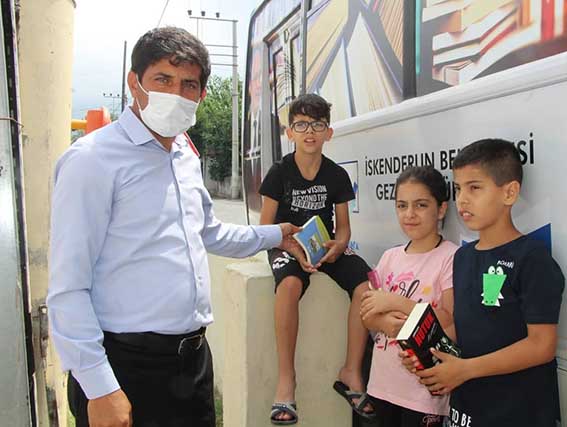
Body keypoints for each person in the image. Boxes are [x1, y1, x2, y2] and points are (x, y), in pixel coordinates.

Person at [47, 27, 300, 427]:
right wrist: (99, 386)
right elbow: (67, 287)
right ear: (134, 83)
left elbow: (209, 232)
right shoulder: (92, 161)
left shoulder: (183, 154)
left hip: (192, 364)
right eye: (163, 79)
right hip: (125, 367)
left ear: (201, 95)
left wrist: (277, 235)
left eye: (189, 85)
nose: (176, 93)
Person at [401, 139, 565, 427]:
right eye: (458, 188)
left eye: (474, 188)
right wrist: (426, 354)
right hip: (465, 411)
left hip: (518, 414)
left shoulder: (531, 258)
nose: (462, 199)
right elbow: (463, 327)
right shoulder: (462, 257)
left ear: (509, 192)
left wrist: (466, 370)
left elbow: (542, 345)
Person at [259, 93, 375, 424]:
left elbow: (344, 228)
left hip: (324, 247)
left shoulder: (336, 175)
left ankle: (351, 372)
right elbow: (265, 228)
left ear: (329, 132)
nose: (309, 131)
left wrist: (339, 245)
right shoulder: (279, 173)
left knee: (365, 285)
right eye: (301, 125)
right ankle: (286, 381)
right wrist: (291, 247)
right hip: (285, 245)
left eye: (317, 124)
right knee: (290, 285)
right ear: (289, 132)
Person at [359, 166, 458, 427]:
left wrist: (395, 303)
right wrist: (384, 323)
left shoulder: (451, 257)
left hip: (423, 393)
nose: (409, 214)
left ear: (441, 209)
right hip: (382, 385)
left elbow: (448, 320)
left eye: (421, 205)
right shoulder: (390, 257)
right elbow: (367, 315)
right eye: (402, 206)